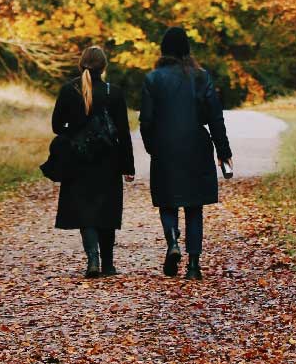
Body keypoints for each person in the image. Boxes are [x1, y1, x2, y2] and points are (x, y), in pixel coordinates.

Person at [139, 25, 233, 281]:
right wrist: (223, 151)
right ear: (187, 49)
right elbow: (215, 117)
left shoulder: (153, 79)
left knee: (167, 201)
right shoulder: (201, 77)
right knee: (194, 206)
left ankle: (172, 243)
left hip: (164, 146)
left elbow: (146, 121)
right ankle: (193, 265)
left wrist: (152, 147)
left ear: (163, 50)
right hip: (196, 145)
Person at [51, 45, 136, 279]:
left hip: (79, 160)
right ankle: (108, 264)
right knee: (107, 209)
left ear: (81, 64)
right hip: (109, 160)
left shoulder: (69, 90)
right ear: (104, 66)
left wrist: (74, 129)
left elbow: (57, 126)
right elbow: (123, 132)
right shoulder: (114, 92)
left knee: (84, 209)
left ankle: (93, 260)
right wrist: (128, 166)